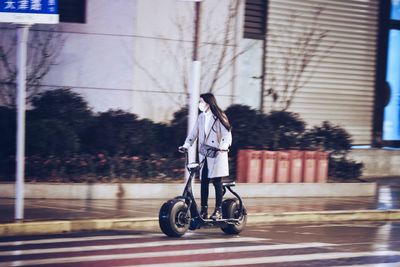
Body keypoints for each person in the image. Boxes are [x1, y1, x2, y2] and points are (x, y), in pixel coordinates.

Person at [180, 93, 232, 220]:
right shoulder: (202, 117)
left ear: (208, 103)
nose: (200, 104)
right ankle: (204, 210)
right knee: (204, 181)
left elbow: (227, 134)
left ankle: (218, 210)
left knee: (217, 182)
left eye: (201, 101)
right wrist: (187, 144)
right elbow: (194, 132)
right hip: (205, 154)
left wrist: (224, 145)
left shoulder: (219, 116)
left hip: (218, 153)